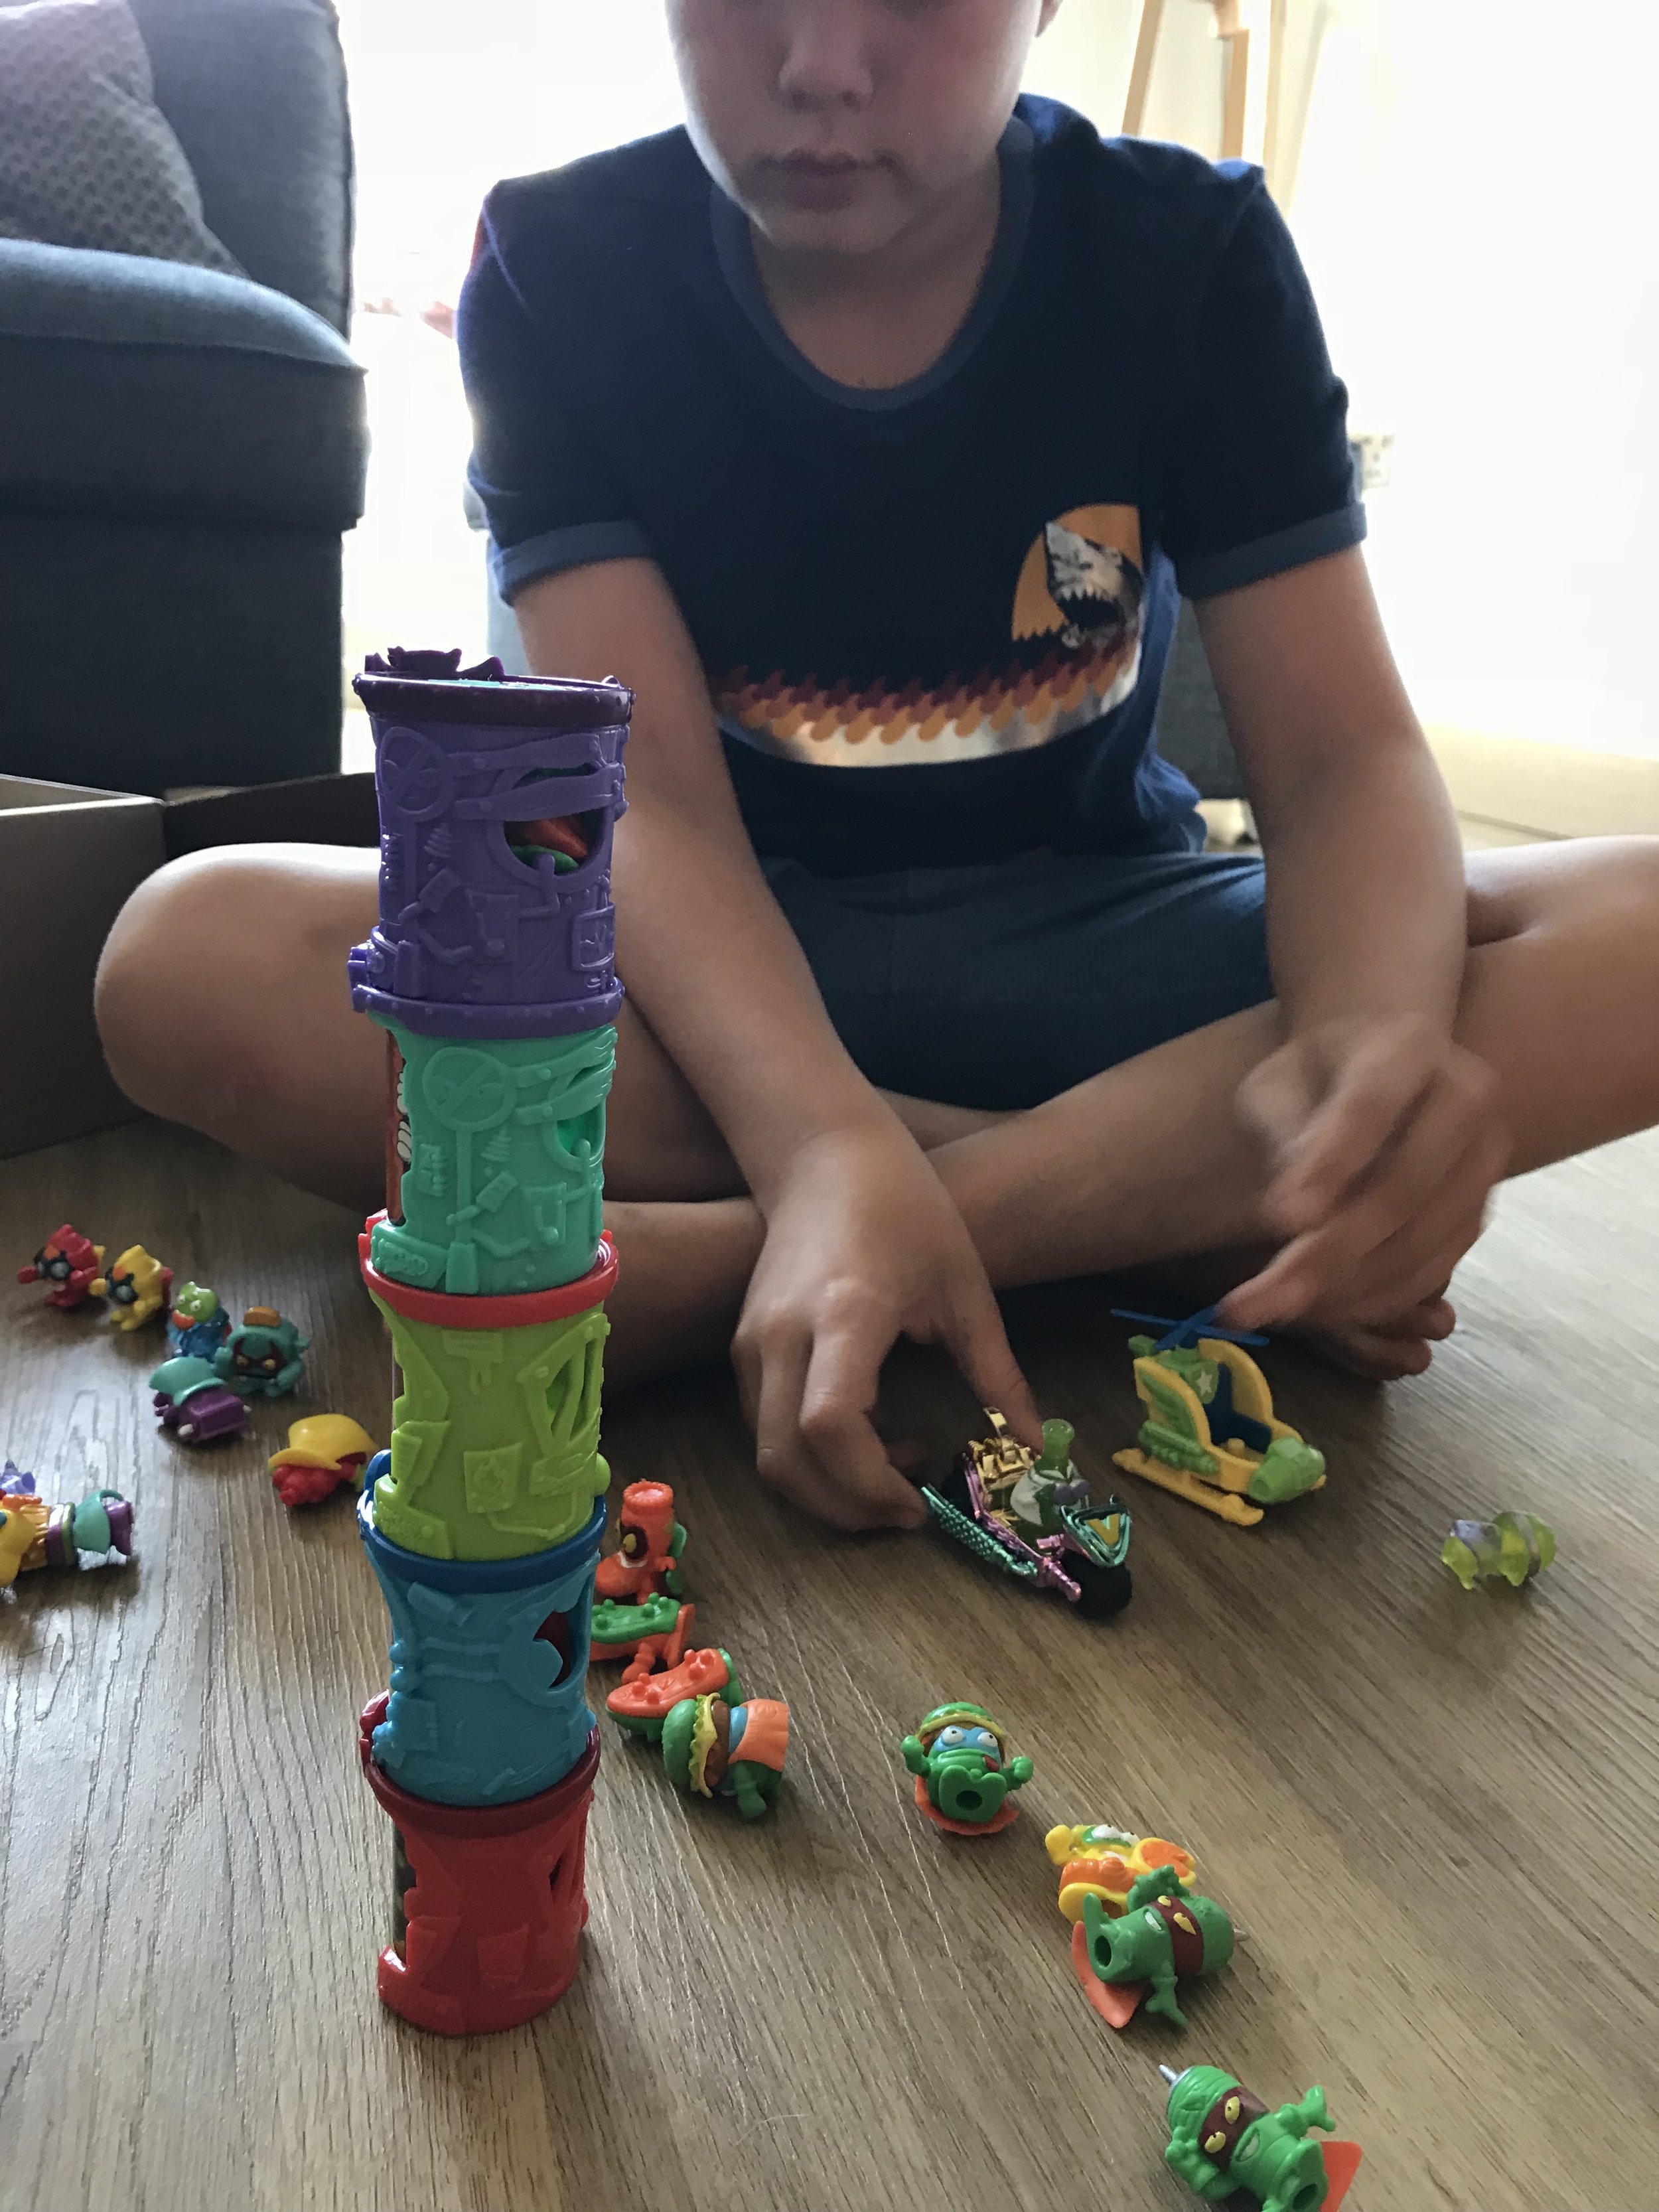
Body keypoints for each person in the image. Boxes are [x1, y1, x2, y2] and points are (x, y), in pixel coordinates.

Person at [96, 0, 1659, 1536]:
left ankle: (790, 1252)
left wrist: (1367, 1042)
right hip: (716, 992)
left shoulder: (1189, 250)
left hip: (1102, 954)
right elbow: (652, 810)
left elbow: (1335, 760)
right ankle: (1149, 1219)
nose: (820, 65)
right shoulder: (556, 262)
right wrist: (823, 1140)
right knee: (191, 951)